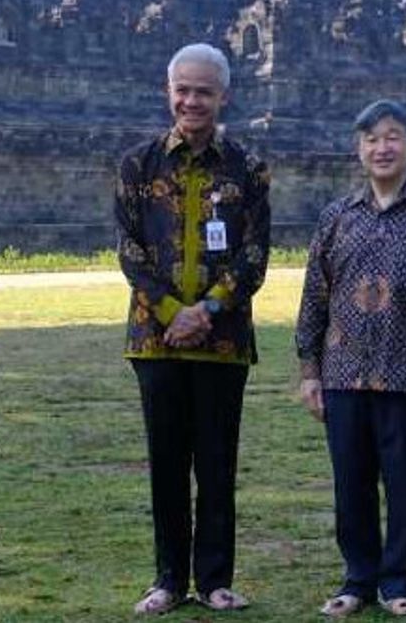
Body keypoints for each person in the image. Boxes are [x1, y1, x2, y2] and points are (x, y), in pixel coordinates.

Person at [295, 99, 406, 618]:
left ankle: (398, 584)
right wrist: (309, 370)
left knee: (403, 483)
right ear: (359, 149)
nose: (383, 148)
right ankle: (357, 579)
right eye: (372, 139)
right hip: (342, 371)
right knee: (350, 482)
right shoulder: (336, 218)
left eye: (393, 137)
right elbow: (314, 298)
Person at [115, 42, 270, 615]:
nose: (191, 100)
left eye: (203, 91)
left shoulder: (248, 168)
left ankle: (214, 580)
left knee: (216, 463)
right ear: (168, 91)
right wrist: (169, 313)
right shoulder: (138, 165)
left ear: (223, 96)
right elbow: (130, 251)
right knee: (166, 464)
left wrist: (205, 311)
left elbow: (254, 254)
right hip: (154, 341)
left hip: (223, 340)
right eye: (183, 89)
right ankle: (166, 579)